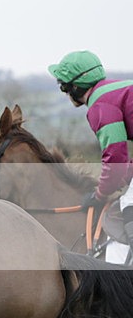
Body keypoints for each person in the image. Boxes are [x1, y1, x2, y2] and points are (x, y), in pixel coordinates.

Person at [48, 51, 133, 254]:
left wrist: (101, 193)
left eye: (63, 87)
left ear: (75, 87)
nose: (65, 93)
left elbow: (115, 157)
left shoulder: (100, 104)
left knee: (129, 202)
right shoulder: (118, 89)